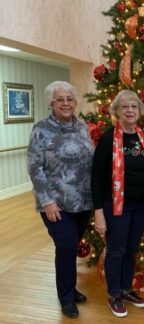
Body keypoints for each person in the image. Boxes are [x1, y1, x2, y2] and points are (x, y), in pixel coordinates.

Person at [27, 81, 94, 319]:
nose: (65, 103)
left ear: (75, 102)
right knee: (65, 246)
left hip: (83, 201)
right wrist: (47, 201)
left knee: (72, 246)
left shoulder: (82, 126)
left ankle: (70, 287)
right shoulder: (41, 129)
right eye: (60, 100)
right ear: (51, 104)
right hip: (55, 203)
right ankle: (65, 297)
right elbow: (35, 168)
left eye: (69, 99)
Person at [91, 90, 144, 318]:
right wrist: (98, 212)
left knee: (131, 249)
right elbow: (96, 178)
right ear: (116, 111)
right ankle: (114, 295)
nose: (130, 110)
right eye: (125, 107)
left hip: (140, 206)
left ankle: (127, 290)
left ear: (140, 110)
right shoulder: (108, 139)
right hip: (115, 206)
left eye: (134, 106)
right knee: (116, 251)